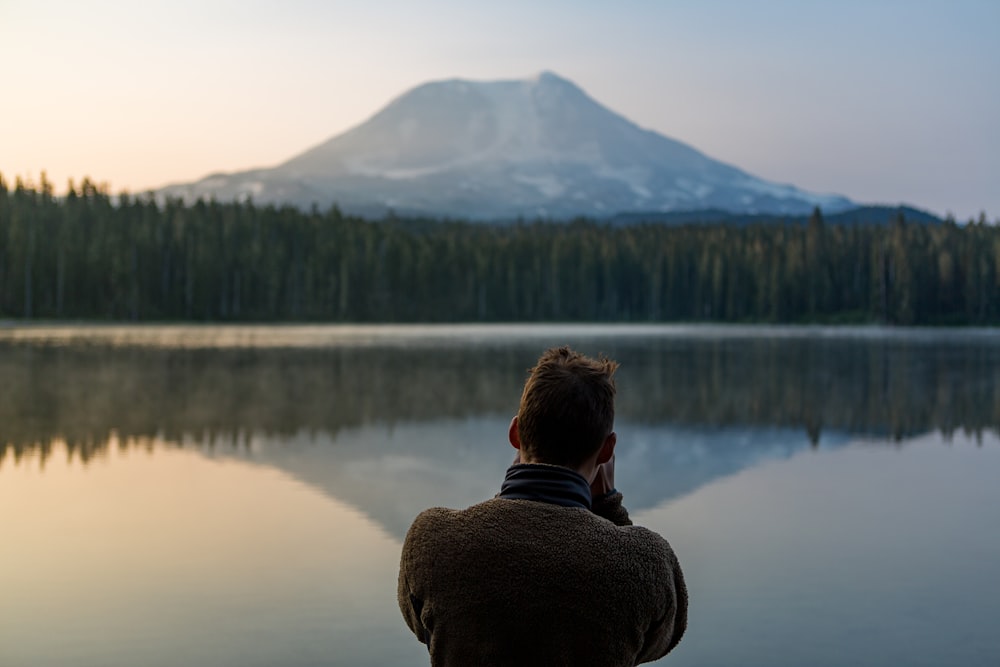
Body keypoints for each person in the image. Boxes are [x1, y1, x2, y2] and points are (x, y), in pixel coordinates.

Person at [397, 346, 687, 666]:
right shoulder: (646, 564)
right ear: (607, 451)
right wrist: (608, 505)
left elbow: (425, 624)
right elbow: (658, 639)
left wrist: (514, 492)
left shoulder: (432, 541)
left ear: (515, 432)